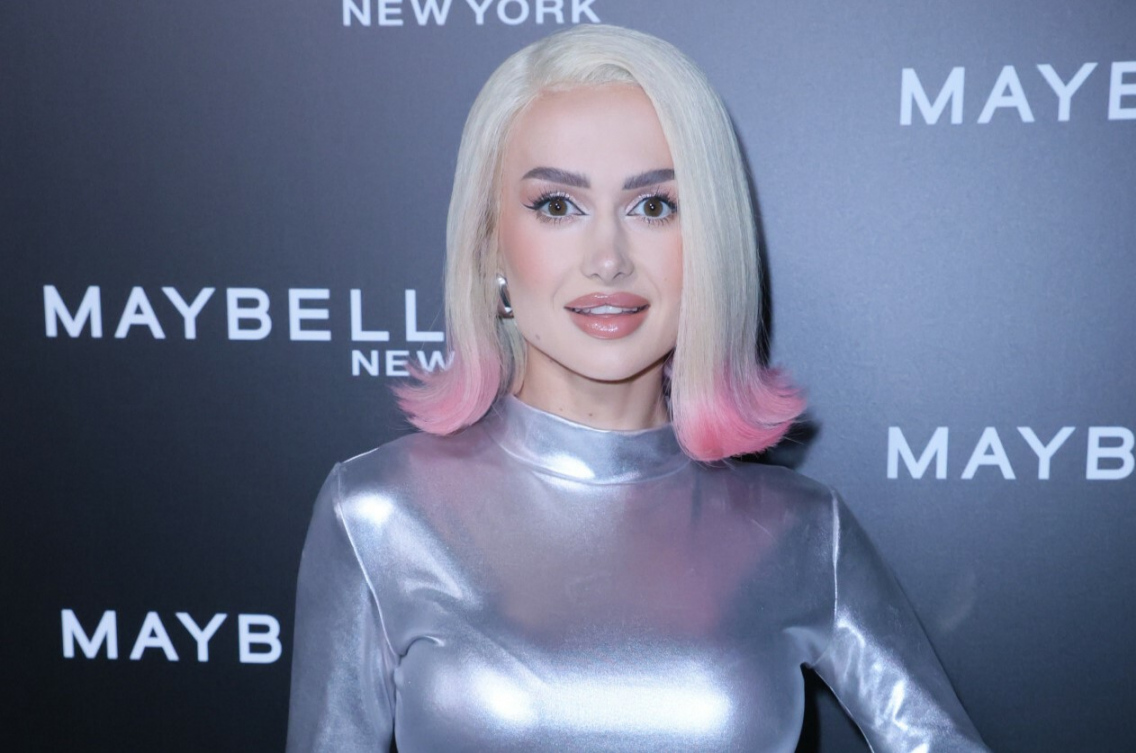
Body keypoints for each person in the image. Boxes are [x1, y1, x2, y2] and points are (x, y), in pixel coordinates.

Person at [286, 24, 989, 753]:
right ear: (490, 245)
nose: (608, 259)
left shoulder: (803, 531)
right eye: (557, 205)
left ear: (709, 242)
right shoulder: (378, 513)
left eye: (653, 206)